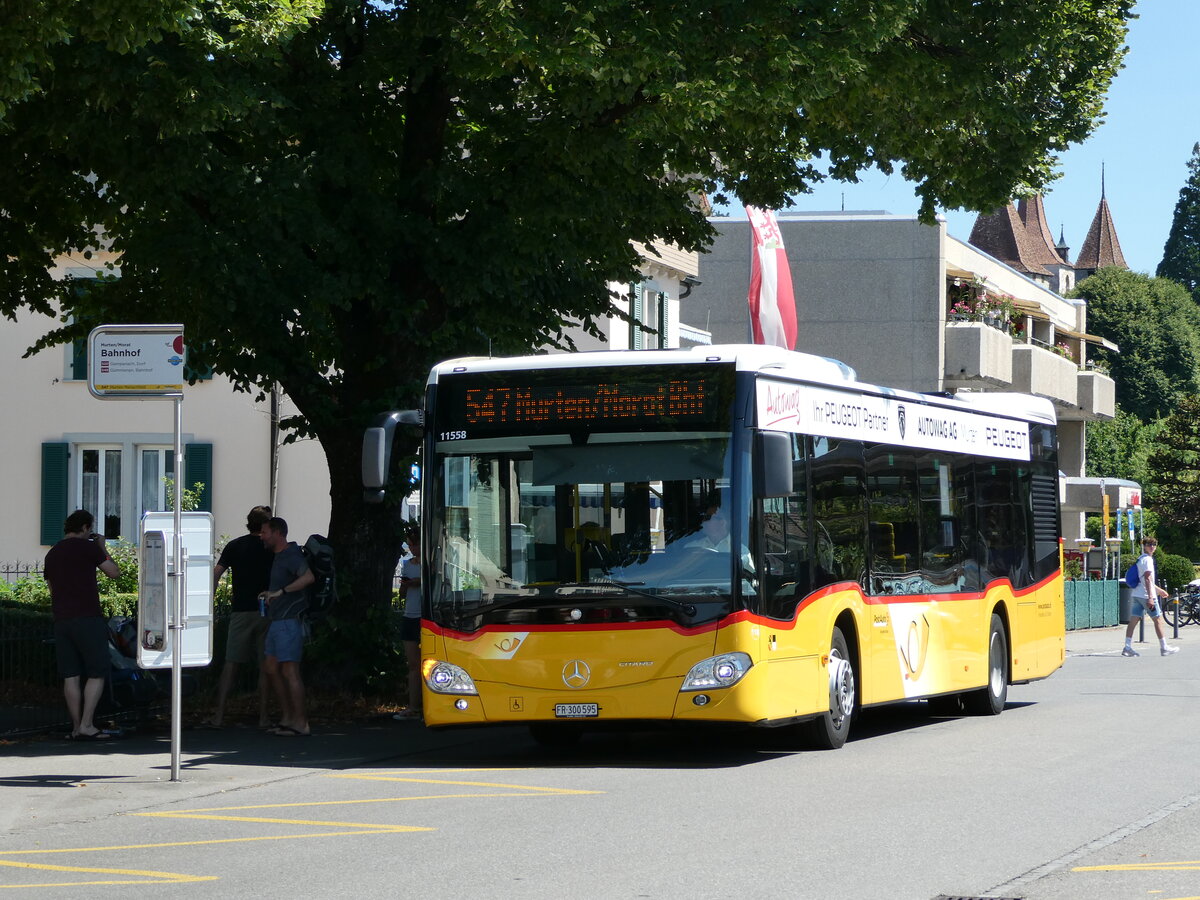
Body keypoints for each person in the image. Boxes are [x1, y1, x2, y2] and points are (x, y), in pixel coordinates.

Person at [44, 509, 122, 741]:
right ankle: (88, 724)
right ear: (86, 528)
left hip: (62, 620)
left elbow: (51, 588)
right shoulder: (89, 548)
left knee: (71, 675)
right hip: (88, 617)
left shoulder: (53, 553)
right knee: (97, 672)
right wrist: (102, 548)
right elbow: (114, 572)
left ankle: (76, 726)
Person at [205, 505, 274, 728]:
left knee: (231, 663)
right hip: (268, 609)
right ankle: (264, 717)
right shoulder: (271, 546)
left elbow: (216, 573)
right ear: (266, 524)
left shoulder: (235, 546)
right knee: (265, 666)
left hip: (240, 611)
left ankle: (219, 715)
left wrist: (210, 602)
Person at [259, 516, 315, 735]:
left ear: (278, 533)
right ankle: (288, 718)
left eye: (265, 532)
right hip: (277, 621)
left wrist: (281, 592)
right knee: (271, 668)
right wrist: (270, 594)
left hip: (289, 622)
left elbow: (308, 577)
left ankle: (301, 723)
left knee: (290, 671)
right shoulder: (279, 556)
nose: (262, 536)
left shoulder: (291, 555)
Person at [1123, 536, 1179, 657]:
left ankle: (1127, 646)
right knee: (1158, 620)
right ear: (1144, 546)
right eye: (1149, 544)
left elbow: (1145, 580)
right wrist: (1150, 597)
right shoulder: (1148, 560)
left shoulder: (1140, 559)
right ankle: (1164, 647)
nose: (1152, 547)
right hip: (1146, 595)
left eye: (1154, 544)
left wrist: (1159, 591)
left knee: (1134, 620)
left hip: (1137, 594)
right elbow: (1148, 579)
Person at [394, 530, 424, 720]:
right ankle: (414, 707)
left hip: (425, 616)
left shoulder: (430, 564)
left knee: (427, 664)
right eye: (410, 545)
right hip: (410, 615)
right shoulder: (407, 565)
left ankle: (427, 706)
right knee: (413, 664)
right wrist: (406, 586)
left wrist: (419, 582)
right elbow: (403, 595)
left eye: (415, 544)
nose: (412, 549)